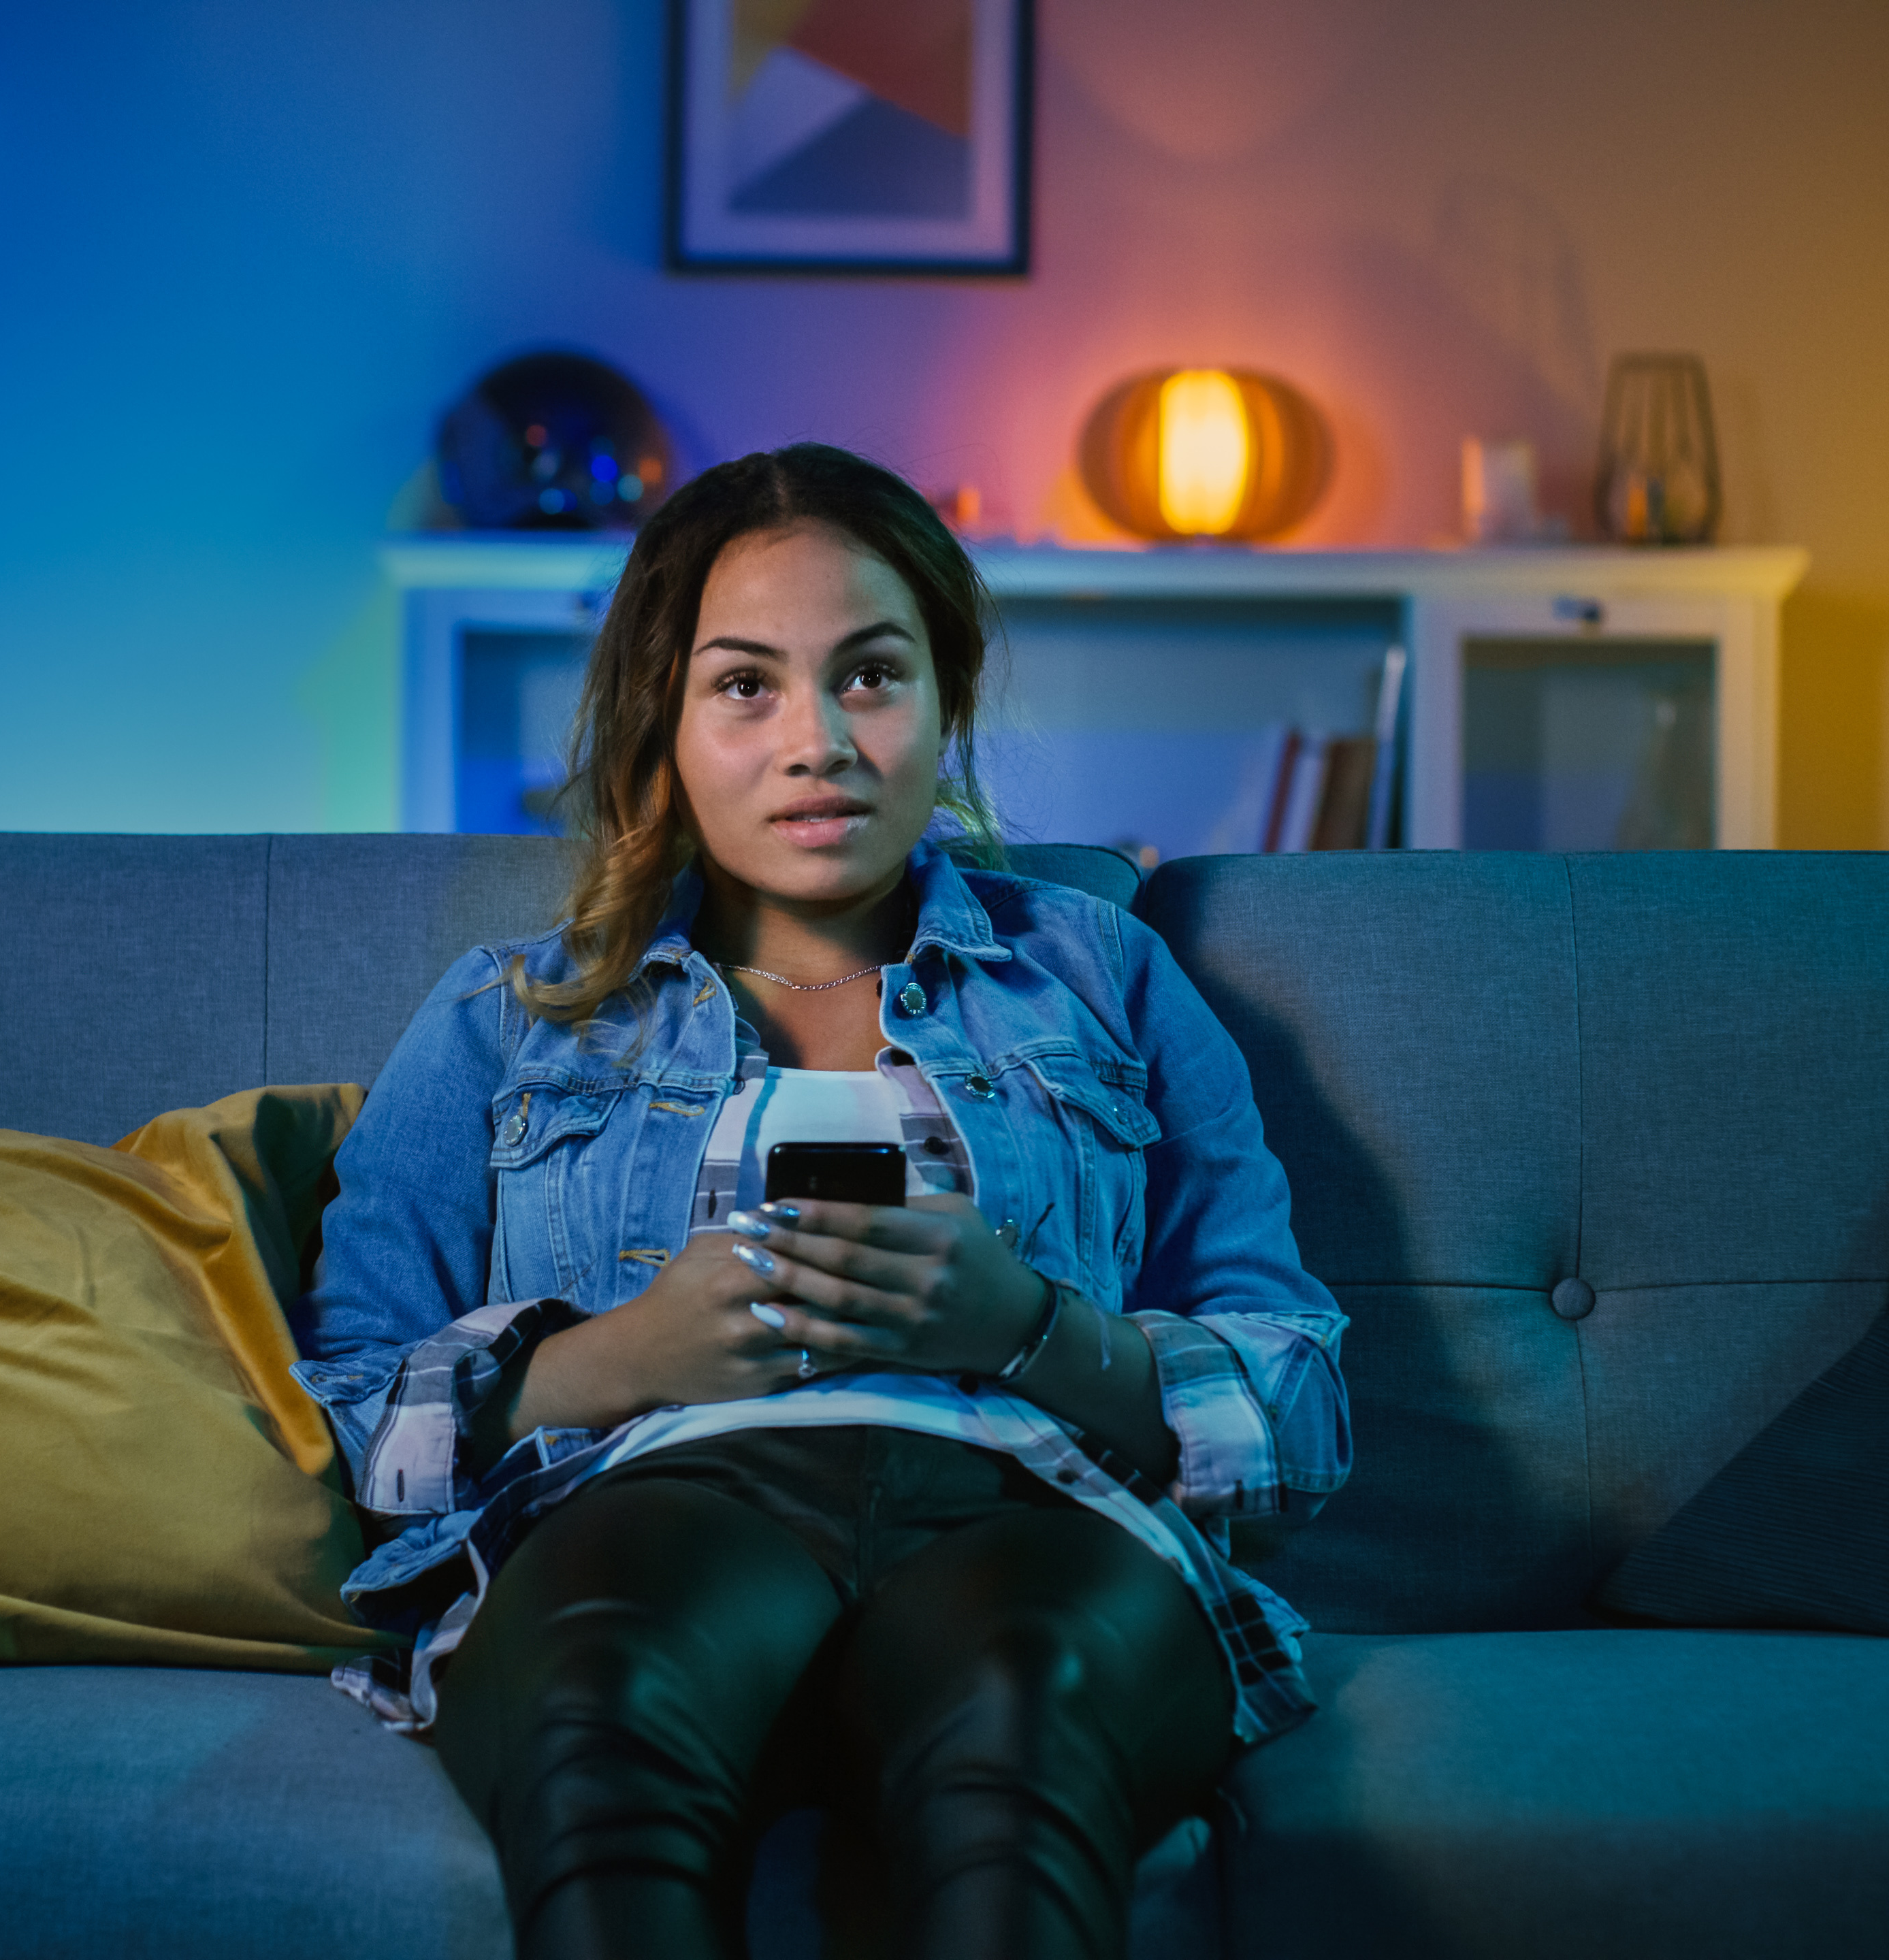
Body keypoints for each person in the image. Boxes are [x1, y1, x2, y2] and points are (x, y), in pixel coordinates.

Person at [295, 442, 1350, 1960]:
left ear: (943, 701)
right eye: (745, 686)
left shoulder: (1105, 975)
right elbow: (344, 1406)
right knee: (603, 1689)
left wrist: (1030, 1329)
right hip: (657, 1511)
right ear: (661, 715)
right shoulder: (505, 1016)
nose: (817, 742)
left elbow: (1296, 1393)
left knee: (1022, 1700)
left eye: (869, 677)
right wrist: (614, 1363)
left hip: (1027, 1506)